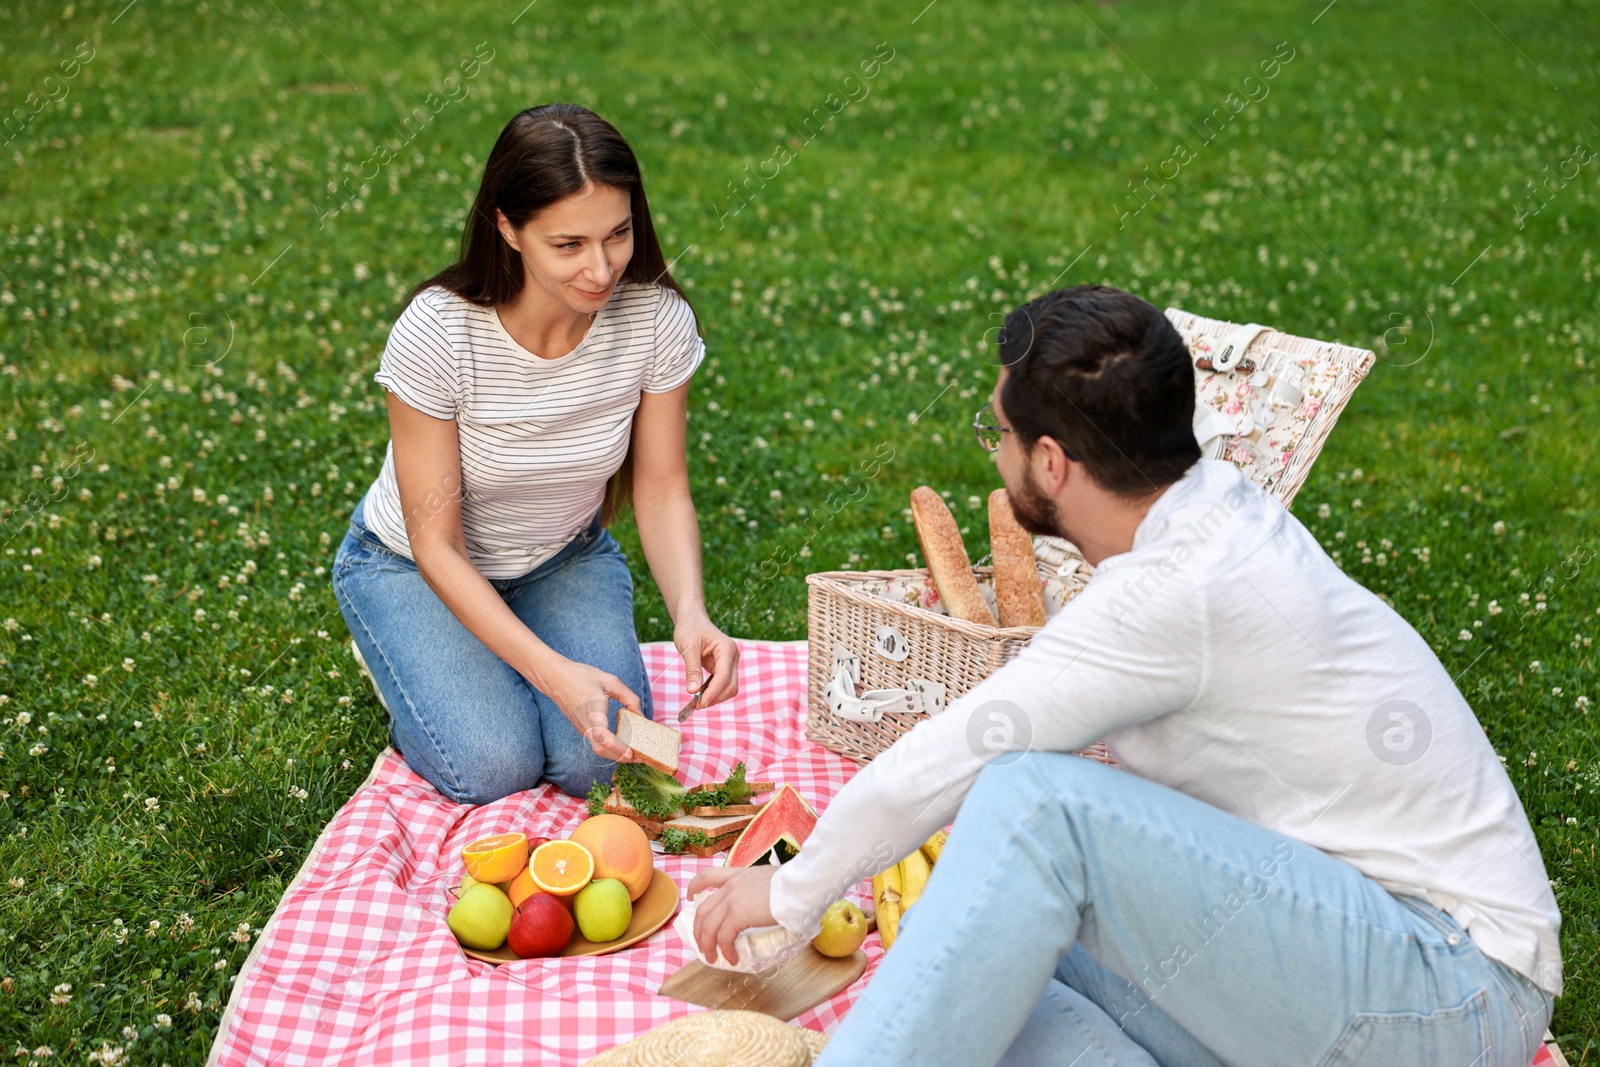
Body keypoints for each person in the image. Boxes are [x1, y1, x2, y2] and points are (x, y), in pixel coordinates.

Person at [690, 285, 1560, 1065]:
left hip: (1448, 990)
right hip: (1346, 959)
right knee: (979, 944)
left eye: (997, 433)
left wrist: (793, 888)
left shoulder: (1170, 593)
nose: (992, 451)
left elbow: (957, 751)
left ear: (1051, 463)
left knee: (1034, 805)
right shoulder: (1208, 504)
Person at [332, 104, 738, 805]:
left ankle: (499, 662)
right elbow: (437, 545)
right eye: (569, 244)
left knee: (604, 765)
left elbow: (663, 485)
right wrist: (553, 672)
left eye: (618, 234)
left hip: (562, 558)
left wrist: (691, 610)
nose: (603, 267)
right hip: (414, 567)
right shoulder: (438, 334)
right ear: (508, 228)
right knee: (492, 766)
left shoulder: (654, 319)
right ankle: (413, 653)